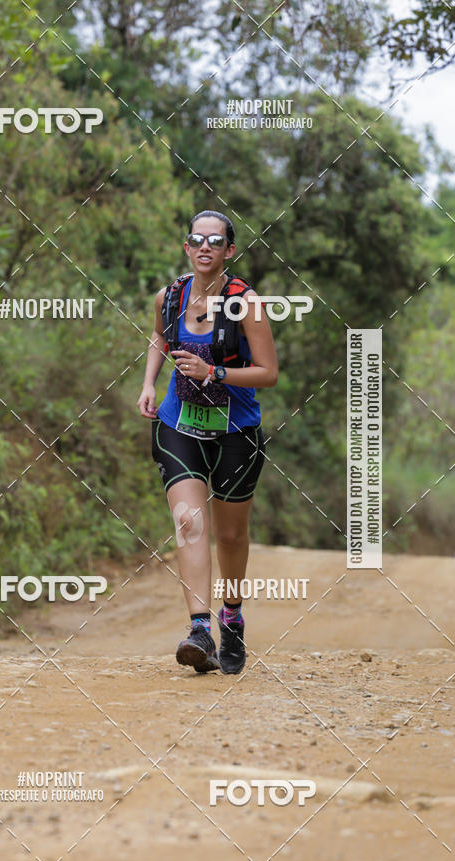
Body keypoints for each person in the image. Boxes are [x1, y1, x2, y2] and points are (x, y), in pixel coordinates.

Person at [137, 210, 278, 675]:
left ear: (229, 252)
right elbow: (159, 338)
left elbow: (268, 373)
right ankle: (199, 629)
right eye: (197, 239)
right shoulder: (169, 296)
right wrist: (149, 384)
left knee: (231, 534)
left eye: (215, 242)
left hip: (236, 431)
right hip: (179, 424)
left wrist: (215, 372)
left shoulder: (246, 304)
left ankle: (231, 615)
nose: (205, 247)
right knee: (188, 520)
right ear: (186, 246)